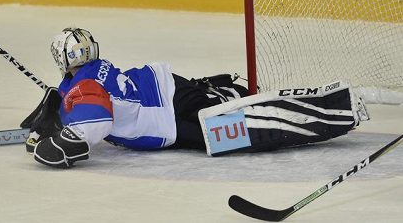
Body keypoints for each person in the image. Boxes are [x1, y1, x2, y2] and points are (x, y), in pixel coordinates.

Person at [22, 27, 370, 168]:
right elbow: (83, 102)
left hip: (165, 117)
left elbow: (96, 121)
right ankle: (221, 91)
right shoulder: (93, 70)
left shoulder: (82, 87)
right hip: (167, 96)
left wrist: (65, 139)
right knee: (227, 128)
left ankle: (334, 107)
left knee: (236, 129)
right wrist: (56, 115)